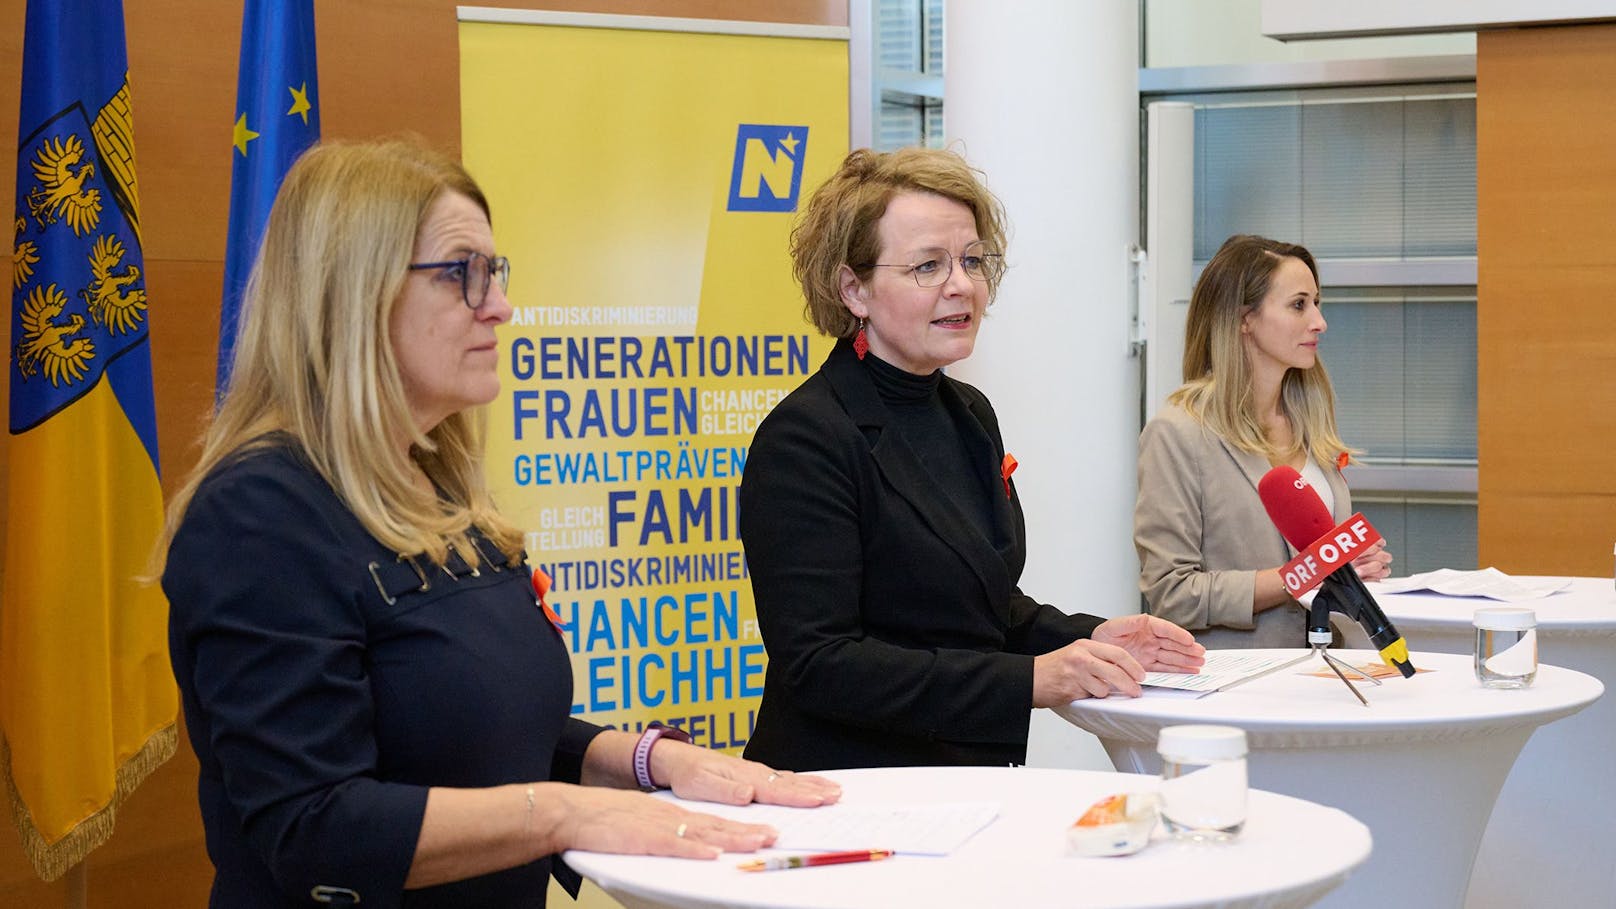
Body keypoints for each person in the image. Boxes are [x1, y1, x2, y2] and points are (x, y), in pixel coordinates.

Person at [155, 139, 840, 908]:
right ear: (351, 292)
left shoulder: (438, 488)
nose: (501, 306)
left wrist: (653, 763)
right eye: (462, 274)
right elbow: (314, 825)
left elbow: (482, 734)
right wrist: (564, 813)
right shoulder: (258, 517)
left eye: (495, 271)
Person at [738, 147, 1205, 772]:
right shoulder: (806, 438)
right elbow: (822, 664)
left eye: (972, 260)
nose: (962, 285)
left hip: (965, 778)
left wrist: (1088, 637)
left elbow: (978, 605)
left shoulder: (968, 412)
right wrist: (1029, 681)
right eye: (928, 265)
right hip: (848, 789)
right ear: (854, 288)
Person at [1134, 234, 1394, 651]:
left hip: (1326, 675)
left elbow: (1320, 571)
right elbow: (1173, 594)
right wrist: (1310, 571)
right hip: (1236, 688)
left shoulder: (1311, 424)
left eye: (1316, 303)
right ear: (1244, 319)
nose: (1319, 322)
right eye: (1298, 304)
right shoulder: (1177, 433)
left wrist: (1351, 567)